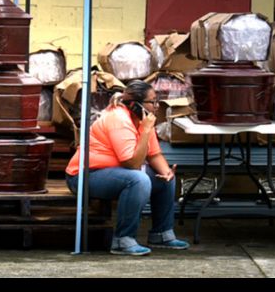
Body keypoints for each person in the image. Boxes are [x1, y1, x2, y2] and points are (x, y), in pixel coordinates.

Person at [65, 80, 190, 256]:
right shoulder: (119, 118)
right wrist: (146, 131)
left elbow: (153, 154)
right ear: (135, 104)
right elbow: (132, 163)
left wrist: (167, 174)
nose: (156, 106)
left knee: (165, 179)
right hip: (84, 176)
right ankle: (122, 240)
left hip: (112, 174)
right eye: (152, 102)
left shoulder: (142, 118)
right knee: (138, 180)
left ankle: (162, 234)